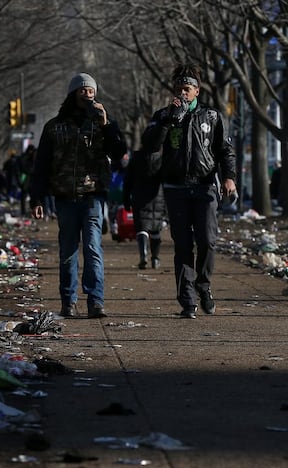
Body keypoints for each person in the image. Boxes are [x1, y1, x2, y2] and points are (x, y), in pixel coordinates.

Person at [141, 63, 237, 319]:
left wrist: (229, 178)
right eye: (178, 89)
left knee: (207, 241)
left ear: (196, 91)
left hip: (205, 187)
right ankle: (187, 301)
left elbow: (225, 151)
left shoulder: (212, 116)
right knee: (183, 246)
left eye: (187, 89)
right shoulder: (163, 115)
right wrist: (168, 120)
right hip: (176, 188)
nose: (182, 93)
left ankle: (203, 287)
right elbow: (149, 146)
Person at [29, 72, 127, 318]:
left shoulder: (103, 124)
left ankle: (96, 301)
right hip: (65, 197)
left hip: (93, 195)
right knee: (68, 250)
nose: (87, 95)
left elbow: (119, 153)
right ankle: (68, 301)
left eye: (91, 91)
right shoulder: (54, 127)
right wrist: (37, 198)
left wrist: (107, 125)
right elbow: (41, 165)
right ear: (73, 94)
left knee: (93, 247)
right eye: (83, 90)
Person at [123, 149, 166, 269]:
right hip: (157, 196)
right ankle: (155, 258)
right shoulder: (161, 158)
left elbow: (128, 180)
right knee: (156, 229)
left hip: (139, 196)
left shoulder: (136, 158)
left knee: (142, 228)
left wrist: (126, 198)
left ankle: (143, 255)